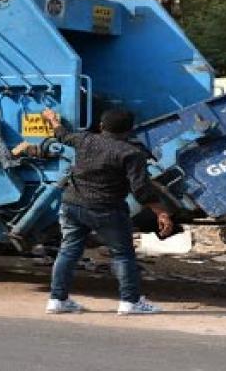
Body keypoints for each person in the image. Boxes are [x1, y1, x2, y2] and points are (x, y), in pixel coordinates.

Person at [42, 107, 174, 315]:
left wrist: (52, 120)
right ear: (129, 131)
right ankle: (130, 302)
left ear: (102, 126)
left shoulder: (85, 140)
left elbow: (63, 136)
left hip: (72, 205)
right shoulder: (131, 153)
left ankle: (57, 299)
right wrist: (161, 212)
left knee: (68, 251)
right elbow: (140, 189)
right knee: (122, 254)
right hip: (106, 209)